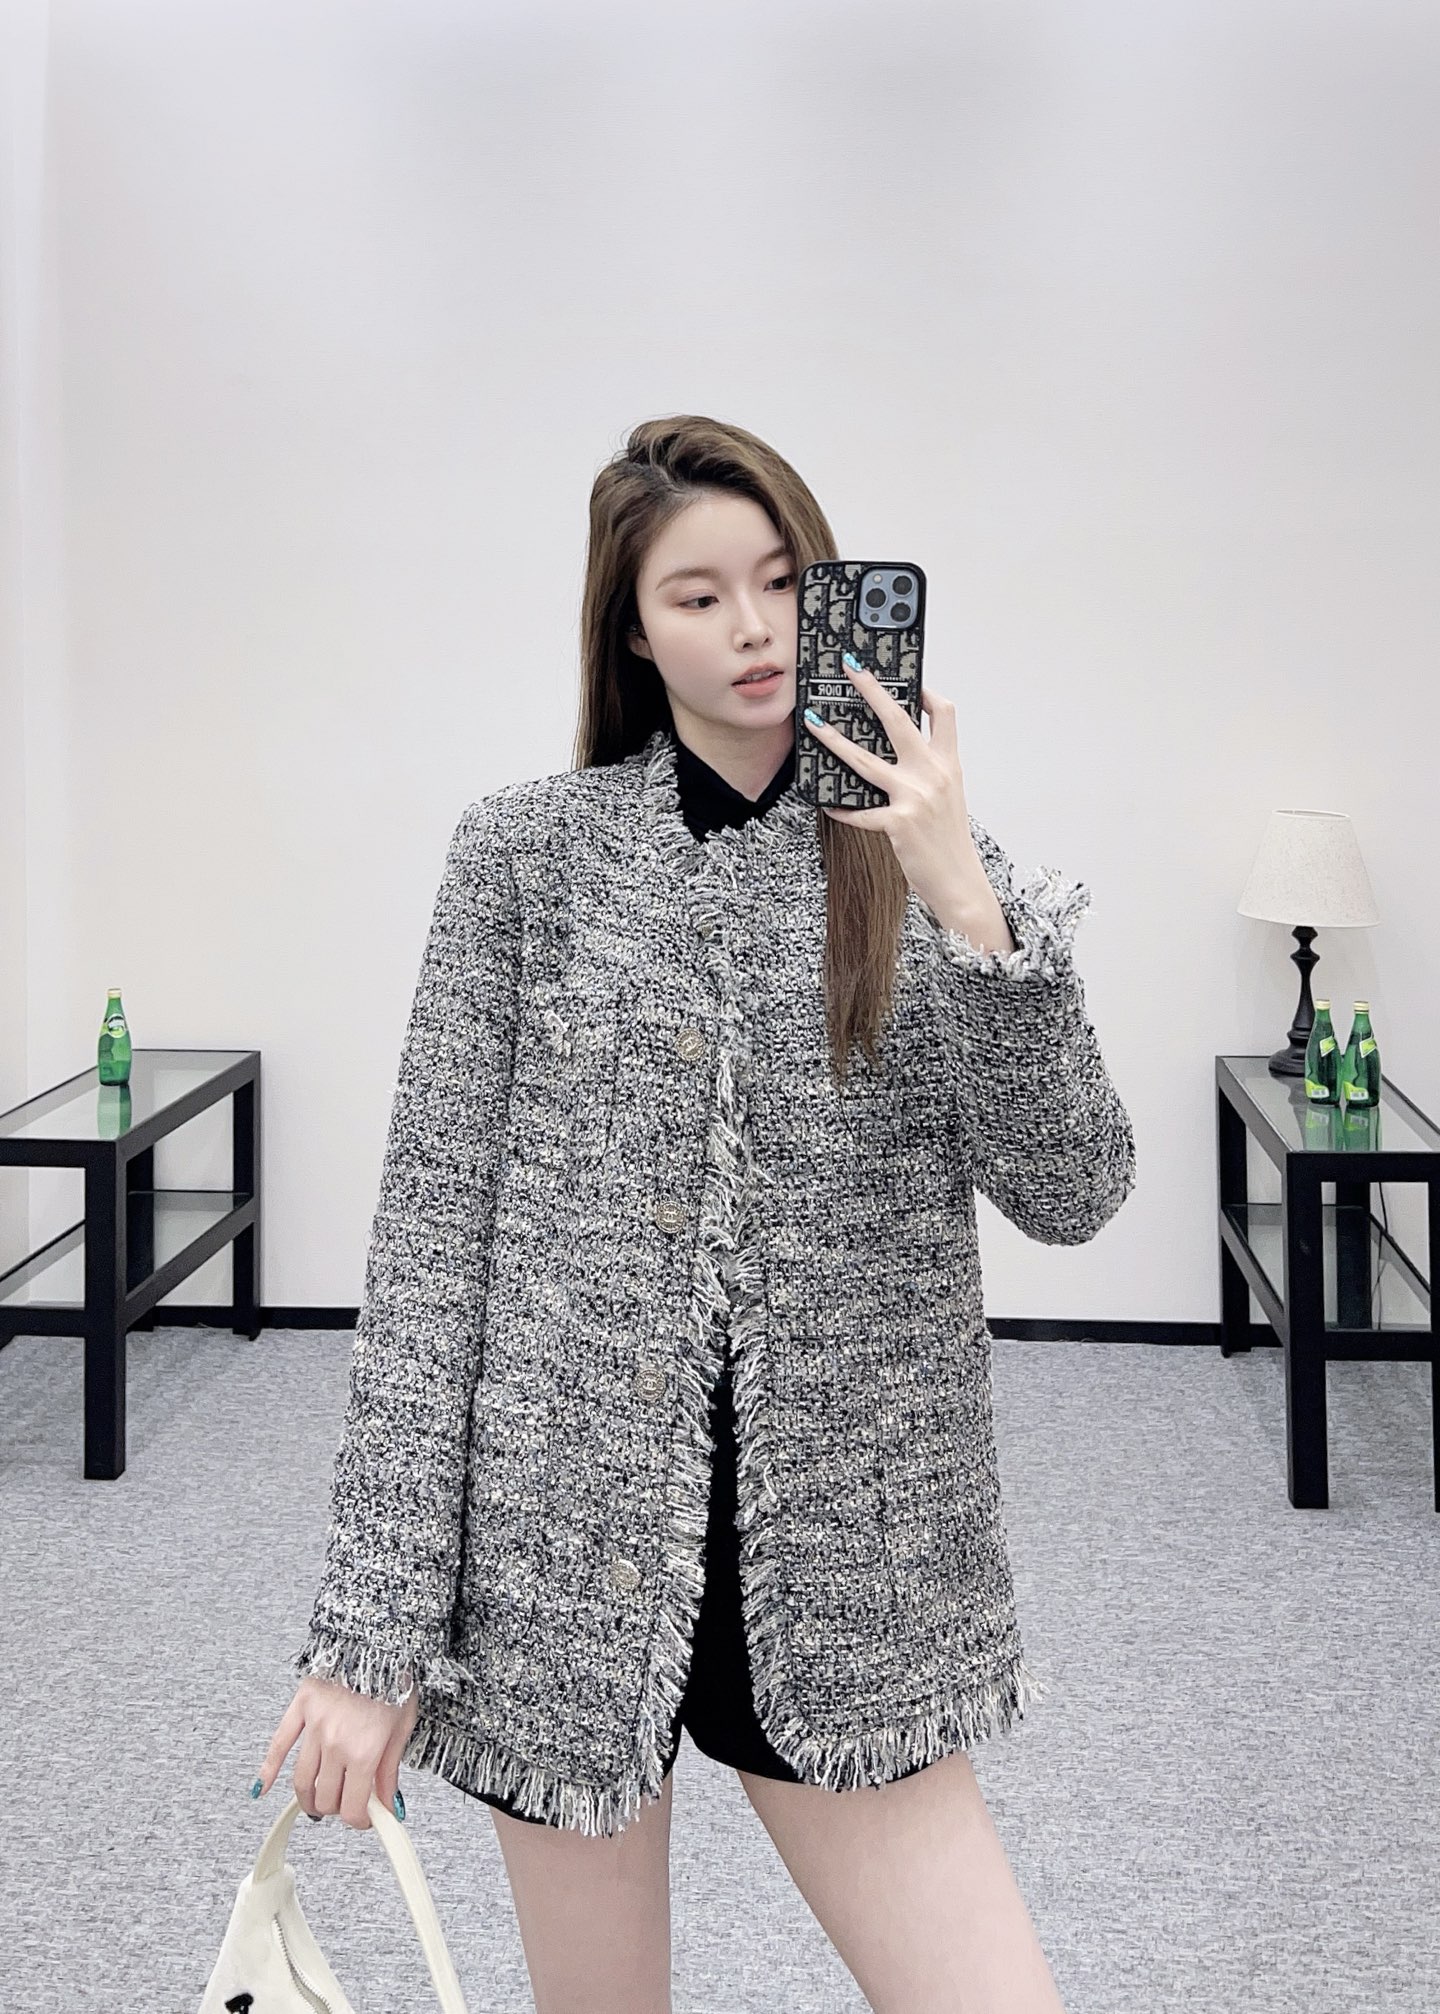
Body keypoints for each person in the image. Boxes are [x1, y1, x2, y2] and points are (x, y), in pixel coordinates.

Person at [254, 414, 1136, 2013]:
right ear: (633, 629)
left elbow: (1077, 1188)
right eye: (699, 594)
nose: (753, 627)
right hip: (565, 1565)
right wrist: (367, 1637)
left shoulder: (924, 865)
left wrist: (967, 901)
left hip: (854, 1567)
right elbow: (431, 1258)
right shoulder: (525, 859)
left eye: (784, 582)